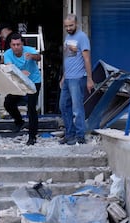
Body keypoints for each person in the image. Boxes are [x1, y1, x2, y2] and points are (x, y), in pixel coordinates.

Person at [59, 14, 94, 145]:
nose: (68, 28)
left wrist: (90, 79)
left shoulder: (82, 37)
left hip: (78, 78)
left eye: (71, 25)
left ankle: (80, 136)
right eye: (66, 26)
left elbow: (87, 58)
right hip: (68, 78)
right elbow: (68, 58)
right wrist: (64, 76)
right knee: (63, 106)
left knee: (77, 109)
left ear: (77, 24)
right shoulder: (68, 37)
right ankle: (69, 134)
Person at [3, 33, 42, 145]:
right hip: (18, 81)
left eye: (18, 44)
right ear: (10, 45)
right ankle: (19, 121)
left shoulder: (29, 50)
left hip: (33, 81)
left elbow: (39, 57)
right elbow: (9, 68)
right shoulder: (7, 54)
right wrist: (20, 74)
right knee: (8, 103)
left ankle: (32, 136)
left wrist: (32, 57)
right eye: (14, 44)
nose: (16, 47)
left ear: (22, 44)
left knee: (31, 108)